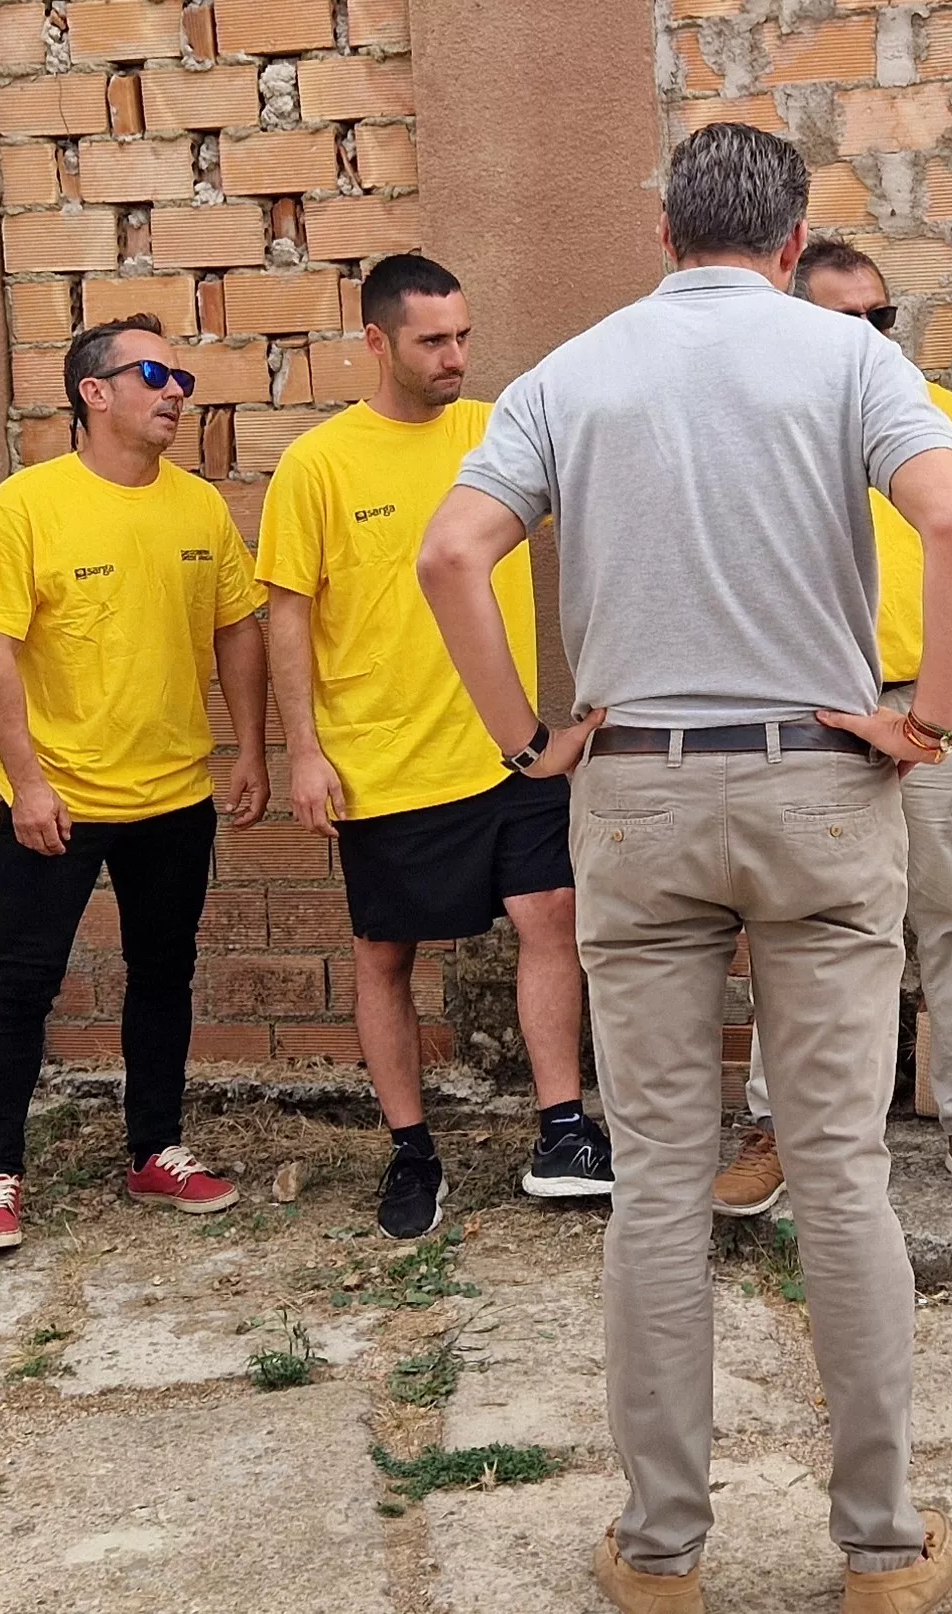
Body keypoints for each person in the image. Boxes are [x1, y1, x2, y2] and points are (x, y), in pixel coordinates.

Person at [417, 123, 952, 1614]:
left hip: (634, 790)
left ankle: (659, 1549)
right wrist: (922, 719)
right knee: (841, 1172)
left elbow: (446, 557)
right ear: (791, 243)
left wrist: (523, 735)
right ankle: (877, 1545)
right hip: (817, 779)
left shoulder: (565, 374)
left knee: (661, 1183)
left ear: (657, 225)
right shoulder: (851, 362)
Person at [259, 252, 613, 1240]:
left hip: (513, 751)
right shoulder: (319, 464)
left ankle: (562, 1130)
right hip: (385, 760)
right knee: (385, 957)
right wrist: (305, 753)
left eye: (463, 335)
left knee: (552, 915)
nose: (455, 355)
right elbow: (286, 615)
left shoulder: (501, 431)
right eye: (432, 340)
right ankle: (412, 1150)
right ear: (376, 342)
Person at [712, 238, 952, 1220]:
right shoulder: (762, 427)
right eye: (846, 321)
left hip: (928, 703)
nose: (872, 338)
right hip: (805, 707)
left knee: (951, 914)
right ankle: (779, 1124)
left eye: (883, 318)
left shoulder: (935, 416)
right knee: (792, 923)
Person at [0, 314, 271, 1256]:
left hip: (174, 795)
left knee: (163, 975)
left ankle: (155, 1151)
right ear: (93, 392)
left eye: (182, 378)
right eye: (154, 374)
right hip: (60, 799)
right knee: (23, 984)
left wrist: (249, 751)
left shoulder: (197, 508)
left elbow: (238, 630)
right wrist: (27, 780)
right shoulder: (24, 507)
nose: (177, 391)